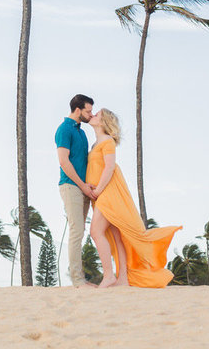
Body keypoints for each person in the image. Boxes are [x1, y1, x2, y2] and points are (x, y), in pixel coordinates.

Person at [86, 108, 181, 288]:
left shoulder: (107, 142)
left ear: (104, 122)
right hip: (101, 194)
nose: (92, 115)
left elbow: (109, 168)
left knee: (96, 232)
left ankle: (108, 276)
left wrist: (97, 190)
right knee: (116, 236)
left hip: (108, 193)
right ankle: (122, 279)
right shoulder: (96, 144)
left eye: (97, 114)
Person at [55, 93, 95, 287]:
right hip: (71, 186)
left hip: (83, 187)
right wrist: (82, 185)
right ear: (78, 110)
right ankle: (78, 281)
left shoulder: (81, 131)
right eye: (88, 111)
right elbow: (63, 161)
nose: (91, 114)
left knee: (80, 230)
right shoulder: (64, 130)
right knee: (76, 230)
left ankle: (81, 279)